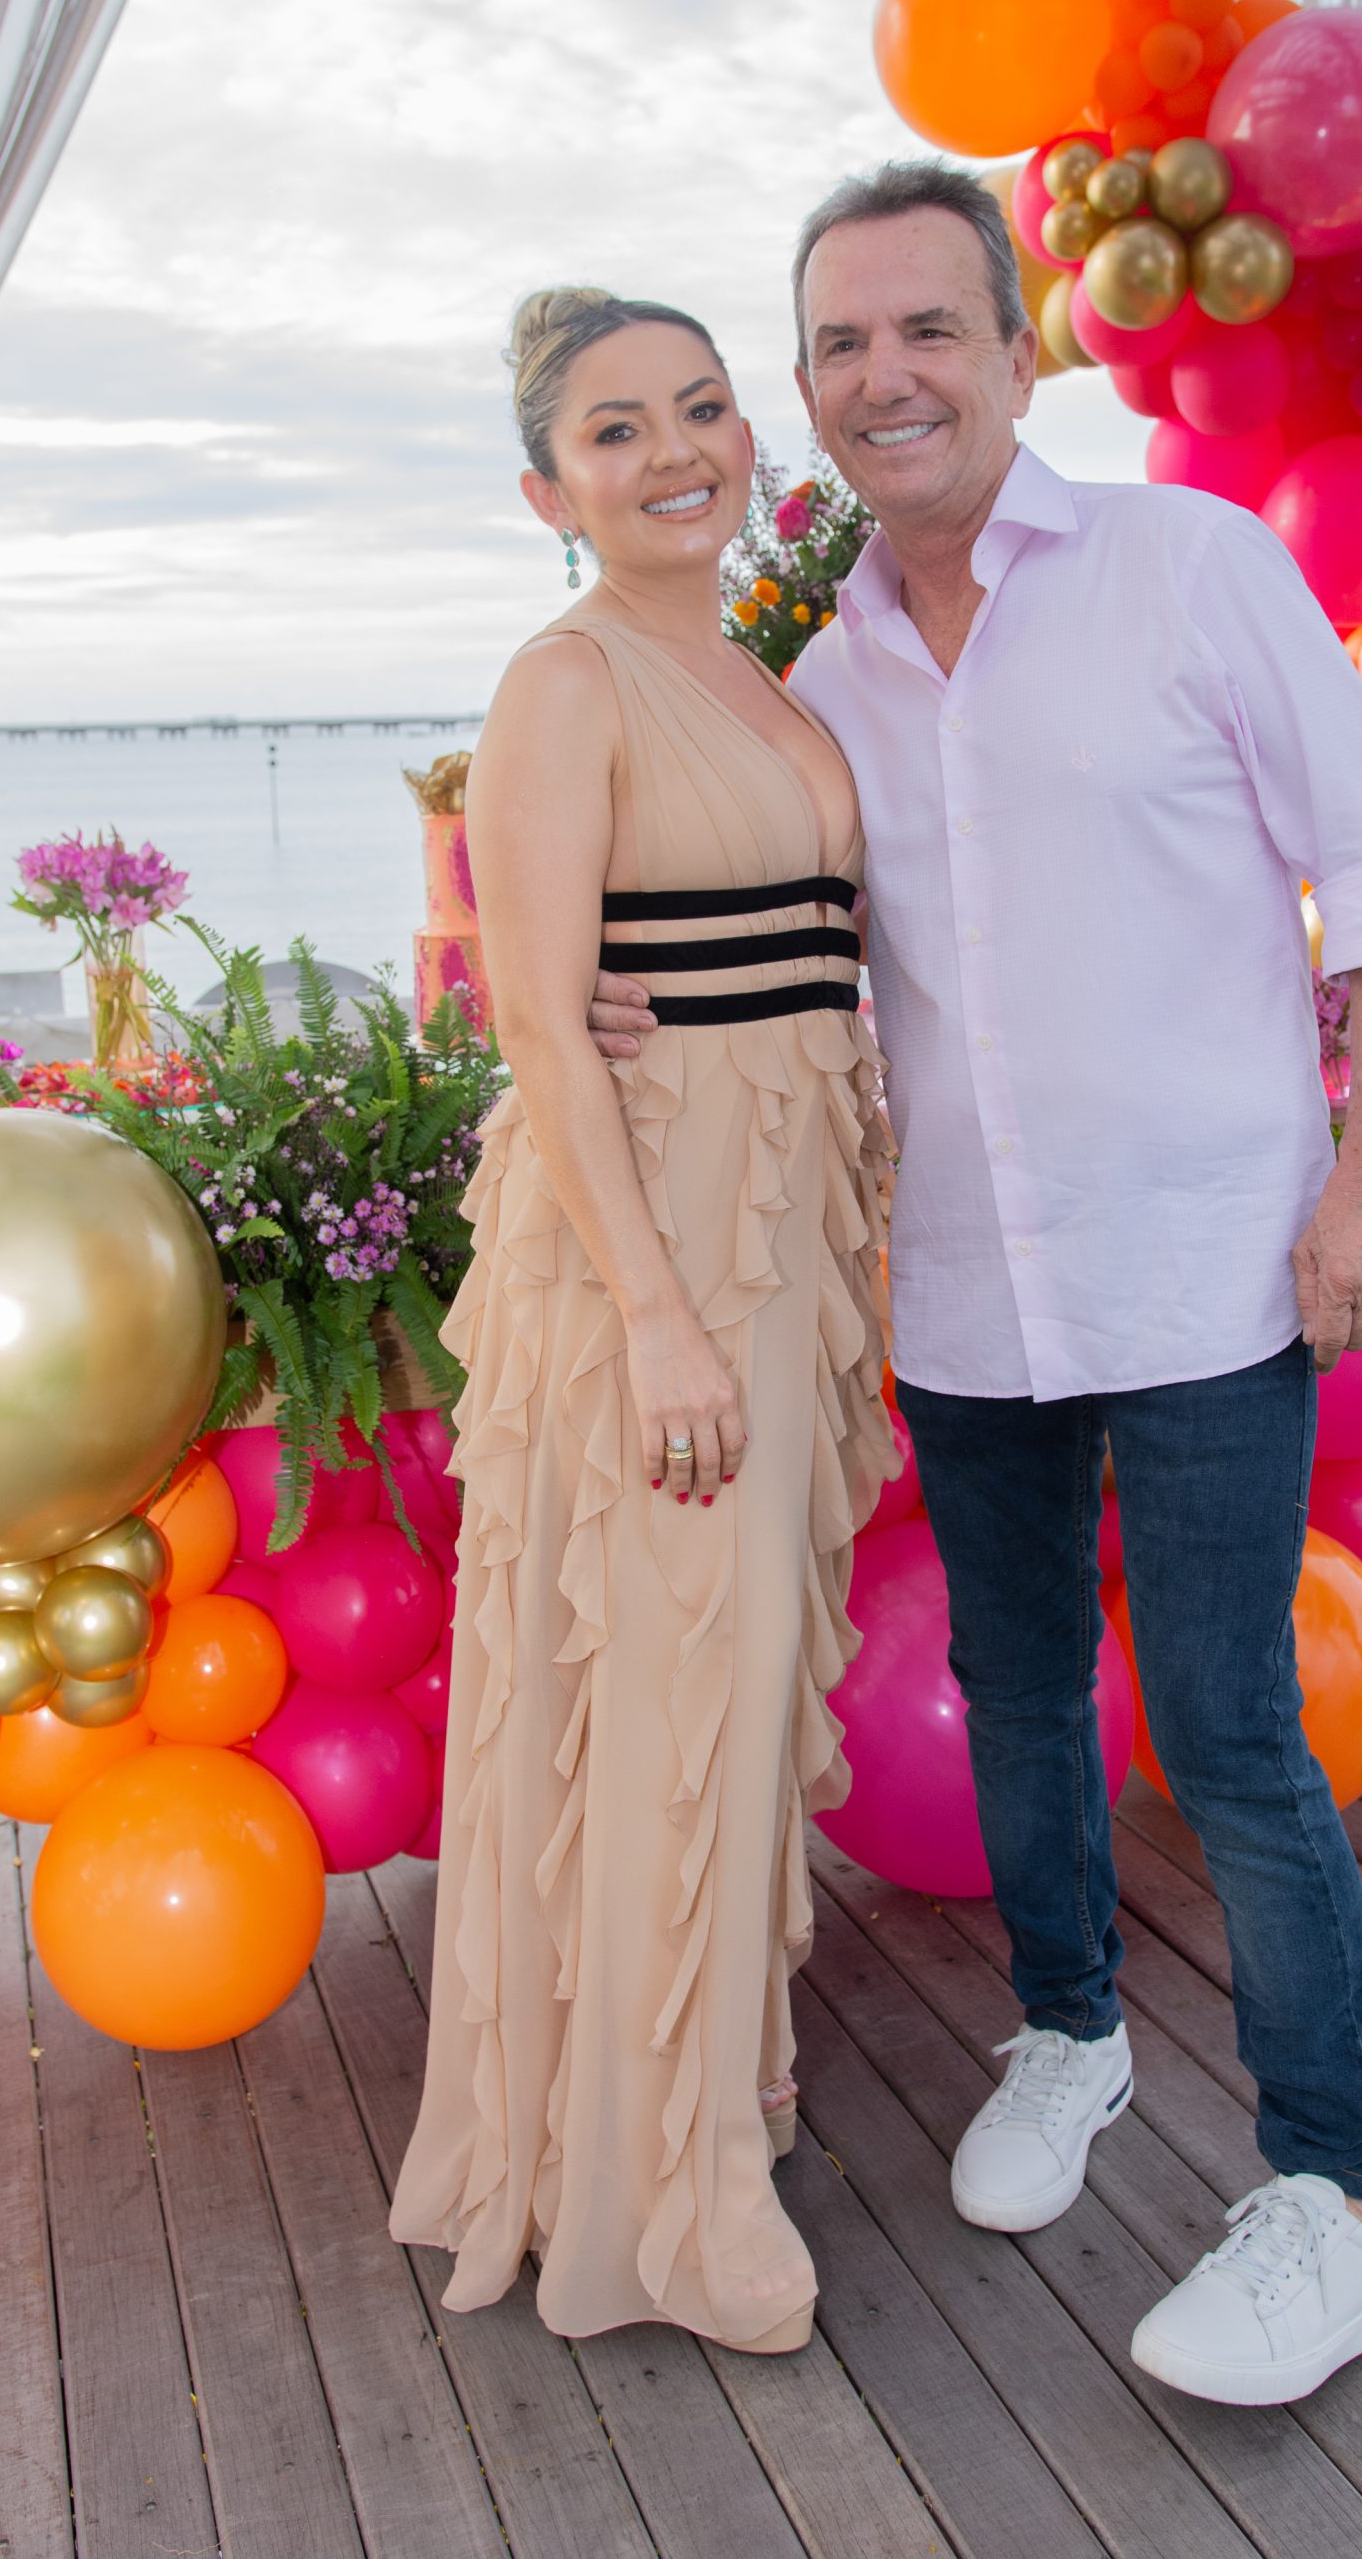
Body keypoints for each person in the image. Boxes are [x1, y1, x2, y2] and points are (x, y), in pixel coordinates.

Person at [588, 162, 1362, 2409]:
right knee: (1012, 1685)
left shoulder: (1191, 569)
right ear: (808, 393)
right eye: (840, 342)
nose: (884, 373)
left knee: (1233, 1730)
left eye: (927, 328)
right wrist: (620, 1000)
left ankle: (1339, 2202)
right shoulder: (822, 681)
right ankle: (1071, 2028)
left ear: (1013, 351)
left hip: (1206, 1268)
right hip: (971, 1285)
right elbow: (782, 955)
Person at [389, 286, 898, 2355]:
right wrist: (660, 1319)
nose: (674, 449)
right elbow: (534, 1017)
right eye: (615, 430)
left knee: (736, 1669)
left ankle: (710, 2086)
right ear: (549, 492)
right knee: (674, 1664)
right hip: (654, 1251)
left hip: (779, 1223)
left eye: (700, 407)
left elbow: (787, 942)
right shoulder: (565, 680)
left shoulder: (763, 667)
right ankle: (659, 2193)